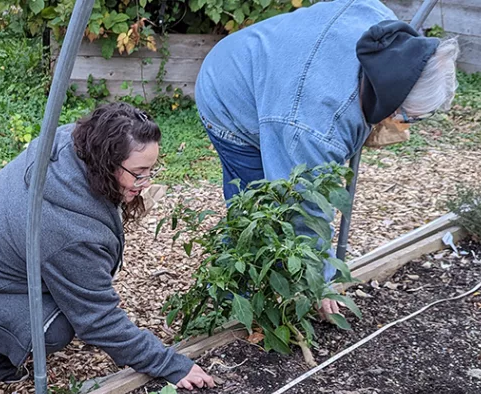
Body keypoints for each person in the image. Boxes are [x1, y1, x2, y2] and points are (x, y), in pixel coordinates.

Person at [194, 0, 459, 316]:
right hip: (229, 94)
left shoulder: (385, 33)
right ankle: (231, 303)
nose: (403, 125)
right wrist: (320, 281)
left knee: (274, 210)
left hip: (271, 72)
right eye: (406, 117)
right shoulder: (314, 125)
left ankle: (268, 282)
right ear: (393, 97)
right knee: (257, 209)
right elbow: (304, 206)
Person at [0, 103, 214, 390]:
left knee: (73, 295)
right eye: (139, 173)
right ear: (107, 162)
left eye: (151, 170)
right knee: (56, 329)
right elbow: (97, 320)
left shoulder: (76, 143)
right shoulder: (69, 230)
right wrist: (170, 365)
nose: (146, 182)